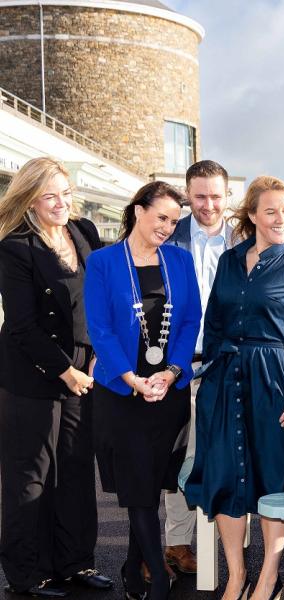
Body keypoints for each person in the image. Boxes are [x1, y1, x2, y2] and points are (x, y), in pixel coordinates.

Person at [184, 175, 284, 600]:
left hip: (273, 382)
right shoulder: (230, 262)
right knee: (225, 477)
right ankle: (236, 575)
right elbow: (213, 324)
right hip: (224, 379)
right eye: (270, 211)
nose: (280, 218)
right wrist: (210, 372)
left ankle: (269, 575)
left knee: (272, 479)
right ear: (252, 215)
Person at [0, 157, 112, 598]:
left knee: (76, 467)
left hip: (84, 369)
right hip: (33, 373)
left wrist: (99, 358)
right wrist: (65, 371)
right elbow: (23, 325)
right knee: (32, 473)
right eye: (51, 196)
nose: (62, 203)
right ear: (29, 199)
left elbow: (101, 300)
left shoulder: (83, 231)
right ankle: (29, 573)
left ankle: (76, 563)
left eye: (66, 193)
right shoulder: (14, 246)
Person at [85, 181, 201, 600]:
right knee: (137, 484)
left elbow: (190, 322)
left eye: (174, 220)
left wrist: (172, 372)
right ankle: (159, 578)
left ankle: (133, 571)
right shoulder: (102, 263)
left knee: (151, 485)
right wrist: (130, 379)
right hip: (122, 394)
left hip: (167, 393)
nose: (168, 227)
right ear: (138, 211)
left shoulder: (180, 261)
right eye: (161, 217)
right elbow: (98, 328)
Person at [161, 160, 236, 576]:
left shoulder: (248, 236)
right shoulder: (169, 234)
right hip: (181, 361)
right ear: (188, 194)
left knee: (233, 453)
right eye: (200, 195)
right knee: (180, 454)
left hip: (232, 361)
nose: (209, 204)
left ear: (228, 196)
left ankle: (234, 547)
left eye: (216, 196)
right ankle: (177, 543)